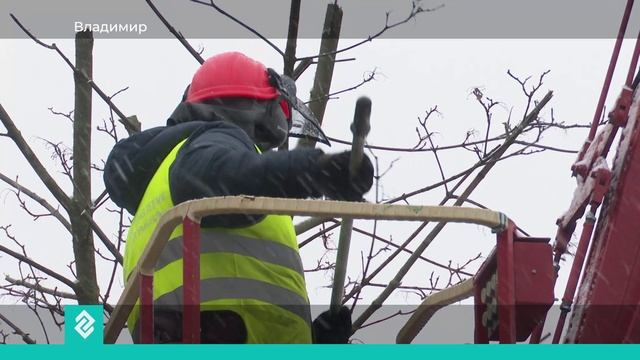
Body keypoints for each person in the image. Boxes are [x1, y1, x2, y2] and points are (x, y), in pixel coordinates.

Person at [103, 51, 374, 343]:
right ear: (255, 110)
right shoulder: (213, 140)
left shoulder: (158, 183)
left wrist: (315, 341)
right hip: (212, 332)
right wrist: (316, 170)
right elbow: (212, 177)